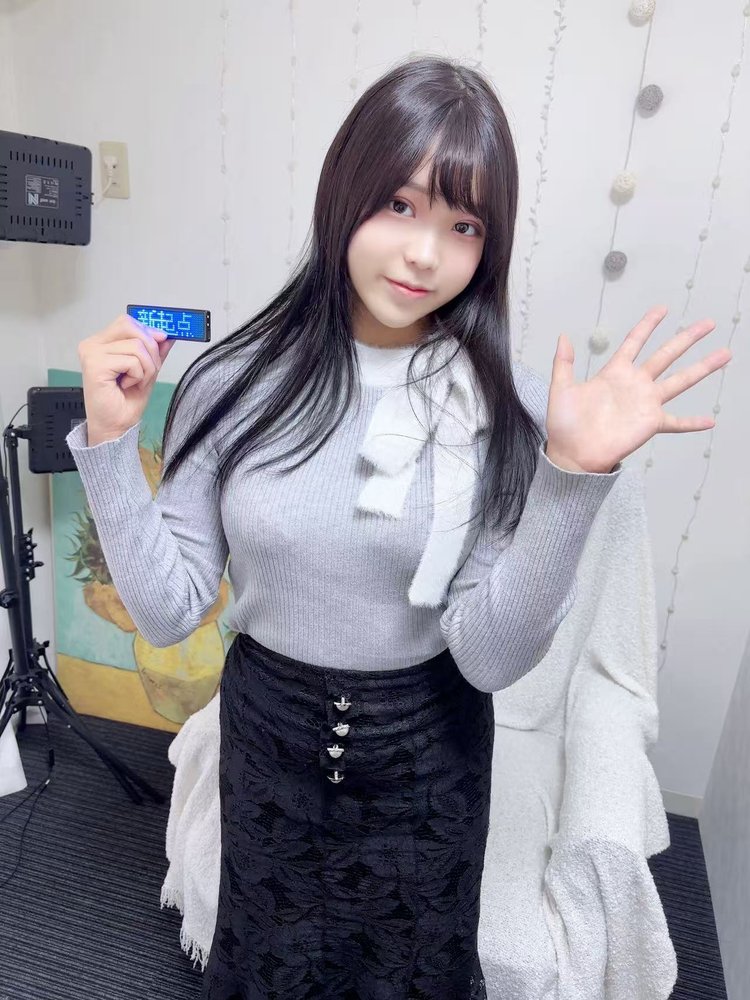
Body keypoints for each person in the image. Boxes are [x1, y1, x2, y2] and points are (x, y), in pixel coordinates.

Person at [67, 54, 731, 1000]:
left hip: (430, 752)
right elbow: (169, 612)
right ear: (346, 194)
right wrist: (108, 444)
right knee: (271, 967)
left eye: (464, 226)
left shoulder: (508, 411)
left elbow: (490, 658)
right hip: (268, 733)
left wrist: (571, 481)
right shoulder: (232, 383)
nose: (425, 255)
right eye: (400, 206)